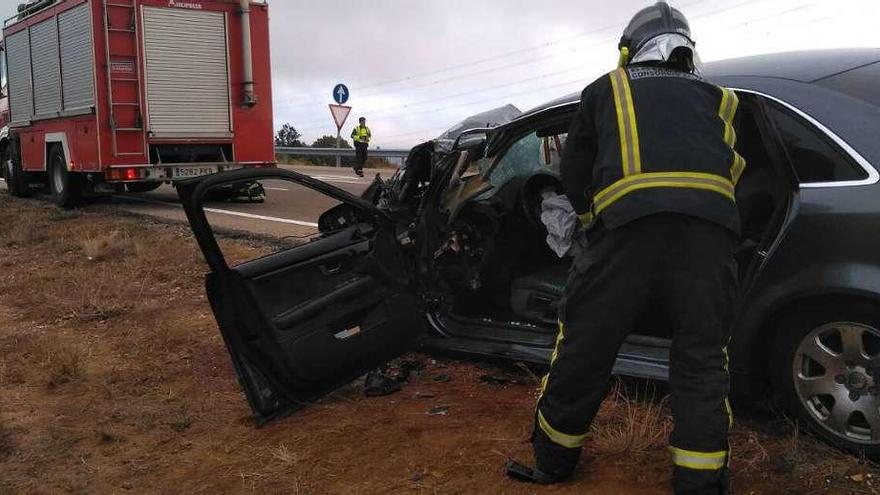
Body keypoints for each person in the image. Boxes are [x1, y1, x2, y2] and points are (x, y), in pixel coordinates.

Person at [505, 2, 745, 494]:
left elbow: (575, 170)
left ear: (628, 50)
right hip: (709, 238)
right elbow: (734, 168)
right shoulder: (719, 98)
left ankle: (553, 462)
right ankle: (701, 484)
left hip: (628, 235)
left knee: (585, 347)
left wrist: (592, 224)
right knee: (701, 357)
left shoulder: (605, 90)